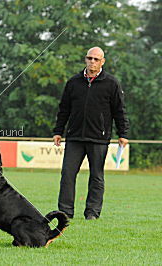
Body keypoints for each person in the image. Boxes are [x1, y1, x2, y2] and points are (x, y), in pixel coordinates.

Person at [52, 47, 129, 220]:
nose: (92, 61)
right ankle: (65, 213)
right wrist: (58, 131)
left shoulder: (112, 83)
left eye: (96, 59)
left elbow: (119, 110)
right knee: (67, 175)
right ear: (85, 59)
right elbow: (64, 109)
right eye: (89, 58)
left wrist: (123, 133)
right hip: (75, 137)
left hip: (99, 138)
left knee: (96, 177)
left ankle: (92, 213)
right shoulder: (73, 82)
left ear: (103, 61)